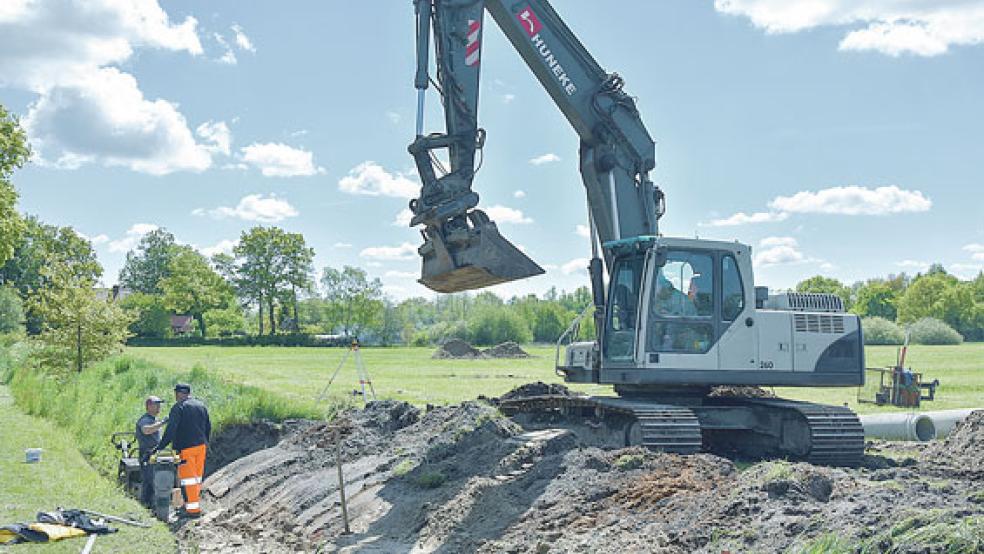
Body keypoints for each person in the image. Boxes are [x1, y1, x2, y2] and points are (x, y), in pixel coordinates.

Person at [156, 383, 211, 518]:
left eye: (176, 393)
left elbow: (171, 430)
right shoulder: (201, 405)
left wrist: (160, 447)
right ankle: (192, 504)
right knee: (196, 478)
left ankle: (192, 510)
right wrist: (205, 442)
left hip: (186, 449)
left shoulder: (178, 407)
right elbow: (208, 427)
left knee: (188, 481)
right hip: (201, 447)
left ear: (179, 393)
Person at [135, 396, 167, 507]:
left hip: (156, 454)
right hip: (147, 454)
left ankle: (156, 505)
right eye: (156, 404)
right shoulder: (145, 420)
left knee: (158, 479)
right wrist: (162, 423)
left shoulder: (154, 420)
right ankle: (147, 505)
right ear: (148, 406)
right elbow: (146, 430)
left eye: (159, 404)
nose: (159, 407)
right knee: (149, 480)